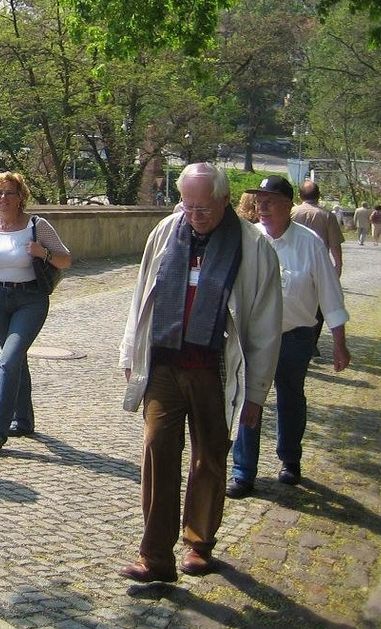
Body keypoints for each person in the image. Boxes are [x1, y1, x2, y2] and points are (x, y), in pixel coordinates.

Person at [119, 162, 282, 583]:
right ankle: (155, 558)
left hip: (216, 369)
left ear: (226, 200)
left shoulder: (253, 247)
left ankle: (199, 543)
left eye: (203, 208)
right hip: (164, 365)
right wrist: (129, 355)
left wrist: (256, 394)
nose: (194, 215)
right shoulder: (166, 233)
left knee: (209, 457)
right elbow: (141, 297)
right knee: (157, 451)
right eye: (188, 206)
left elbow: (264, 324)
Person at [228, 176, 351, 498]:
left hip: (295, 336)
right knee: (248, 399)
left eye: (270, 201)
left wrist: (339, 343)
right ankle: (243, 472)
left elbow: (330, 294)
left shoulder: (309, 243)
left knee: (290, 397)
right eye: (259, 201)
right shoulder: (248, 239)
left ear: (288, 205)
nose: (262, 207)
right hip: (255, 337)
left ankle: (290, 460)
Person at [0, 171, 71, 453]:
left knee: (9, 359)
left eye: (9, 193)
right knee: (15, 360)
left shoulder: (37, 226)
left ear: (21, 198)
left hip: (31, 300)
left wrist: (43, 254)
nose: (2, 198)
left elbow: (65, 260)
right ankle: (24, 420)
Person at [290, 180, 345, 355]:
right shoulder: (327, 215)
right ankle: (311, 341)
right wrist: (338, 266)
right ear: (319, 196)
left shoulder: (291, 212)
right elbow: (335, 244)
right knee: (319, 307)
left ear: (299, 196)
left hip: (292, 263)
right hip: (317, 266)